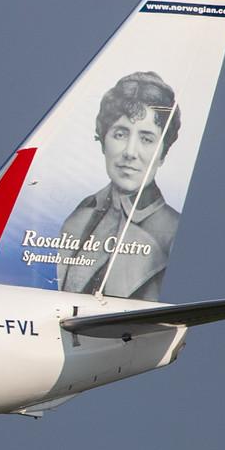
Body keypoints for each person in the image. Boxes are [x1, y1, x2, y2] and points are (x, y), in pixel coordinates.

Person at [57, 72, 182, 300]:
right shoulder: (82, 213)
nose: (130, 153)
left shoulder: (171, 232)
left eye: (146, 139)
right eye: (120, 134)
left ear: (163, 153)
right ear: (103, 141)